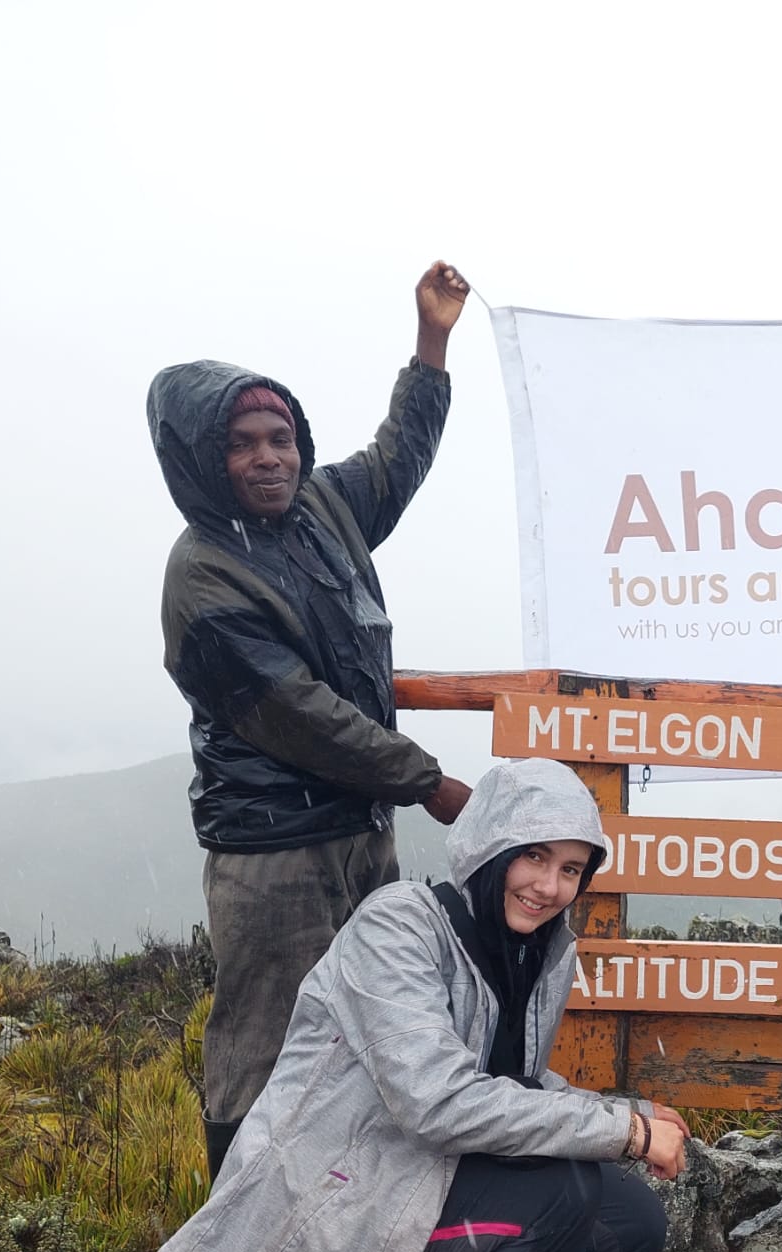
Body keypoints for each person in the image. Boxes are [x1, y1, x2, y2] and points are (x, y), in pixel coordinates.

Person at [160, 758, 687, 1252]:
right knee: (562, 1196)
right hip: (343, 1193)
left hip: (430, 1172)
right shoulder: (400, 925)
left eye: (571, 868)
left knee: (630, 1227)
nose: (548, 885)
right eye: (532, 855)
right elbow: (435, 1100)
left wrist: (620, 1111)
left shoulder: (539, 950)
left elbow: (513, 1079)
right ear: (490, 846)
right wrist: (623, 1134)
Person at [148, 262, 477, 1178]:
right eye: (244, 444)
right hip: (273, 856)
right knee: (266, 1045)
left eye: (281, 436)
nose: (270, 457)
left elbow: (396, 459)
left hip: (359, 831)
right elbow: (300, 716)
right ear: (205, 461)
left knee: (377, 1023)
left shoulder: (322, 509)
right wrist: (430, 782)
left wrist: (433, 343)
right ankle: (240, 1250)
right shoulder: (203, 575)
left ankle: (350, 1212)